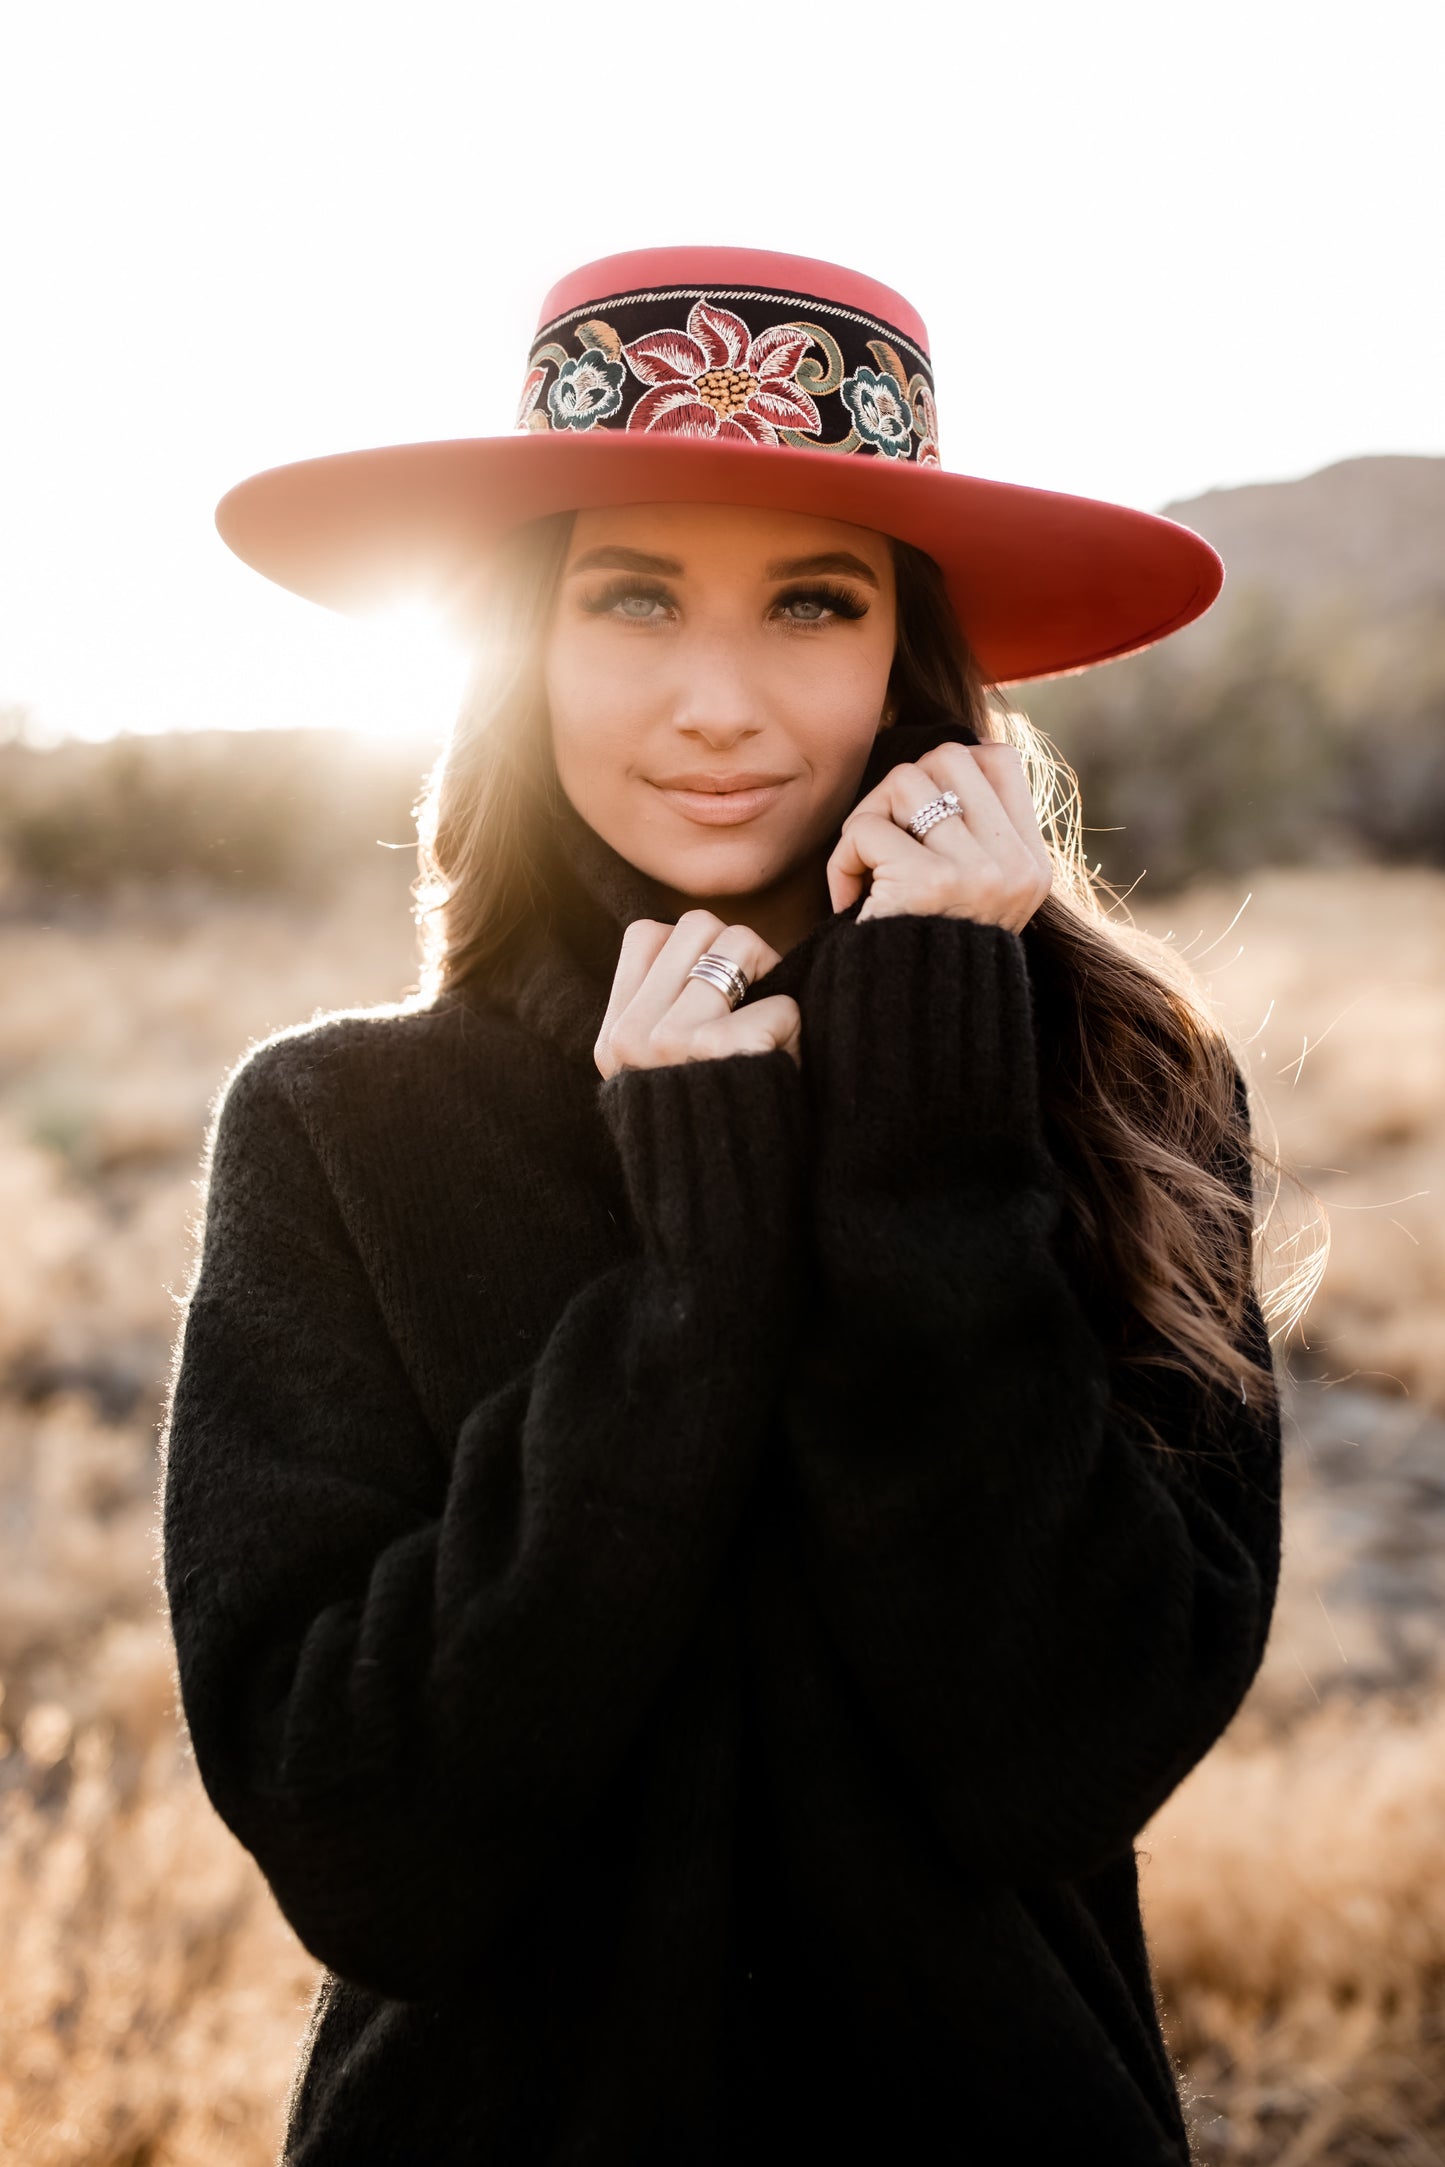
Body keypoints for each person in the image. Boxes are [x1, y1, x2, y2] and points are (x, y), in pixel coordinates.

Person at [162, 247, 1282, 2166]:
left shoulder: (1117, 1094)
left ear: (904, 662)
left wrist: (928, 1140)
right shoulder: (339, 1129)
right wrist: (684, 1300)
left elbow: (1058, 1761)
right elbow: (374, 1854)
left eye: (810, 602)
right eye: (631, 597)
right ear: (518, 642)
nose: (716, 702)